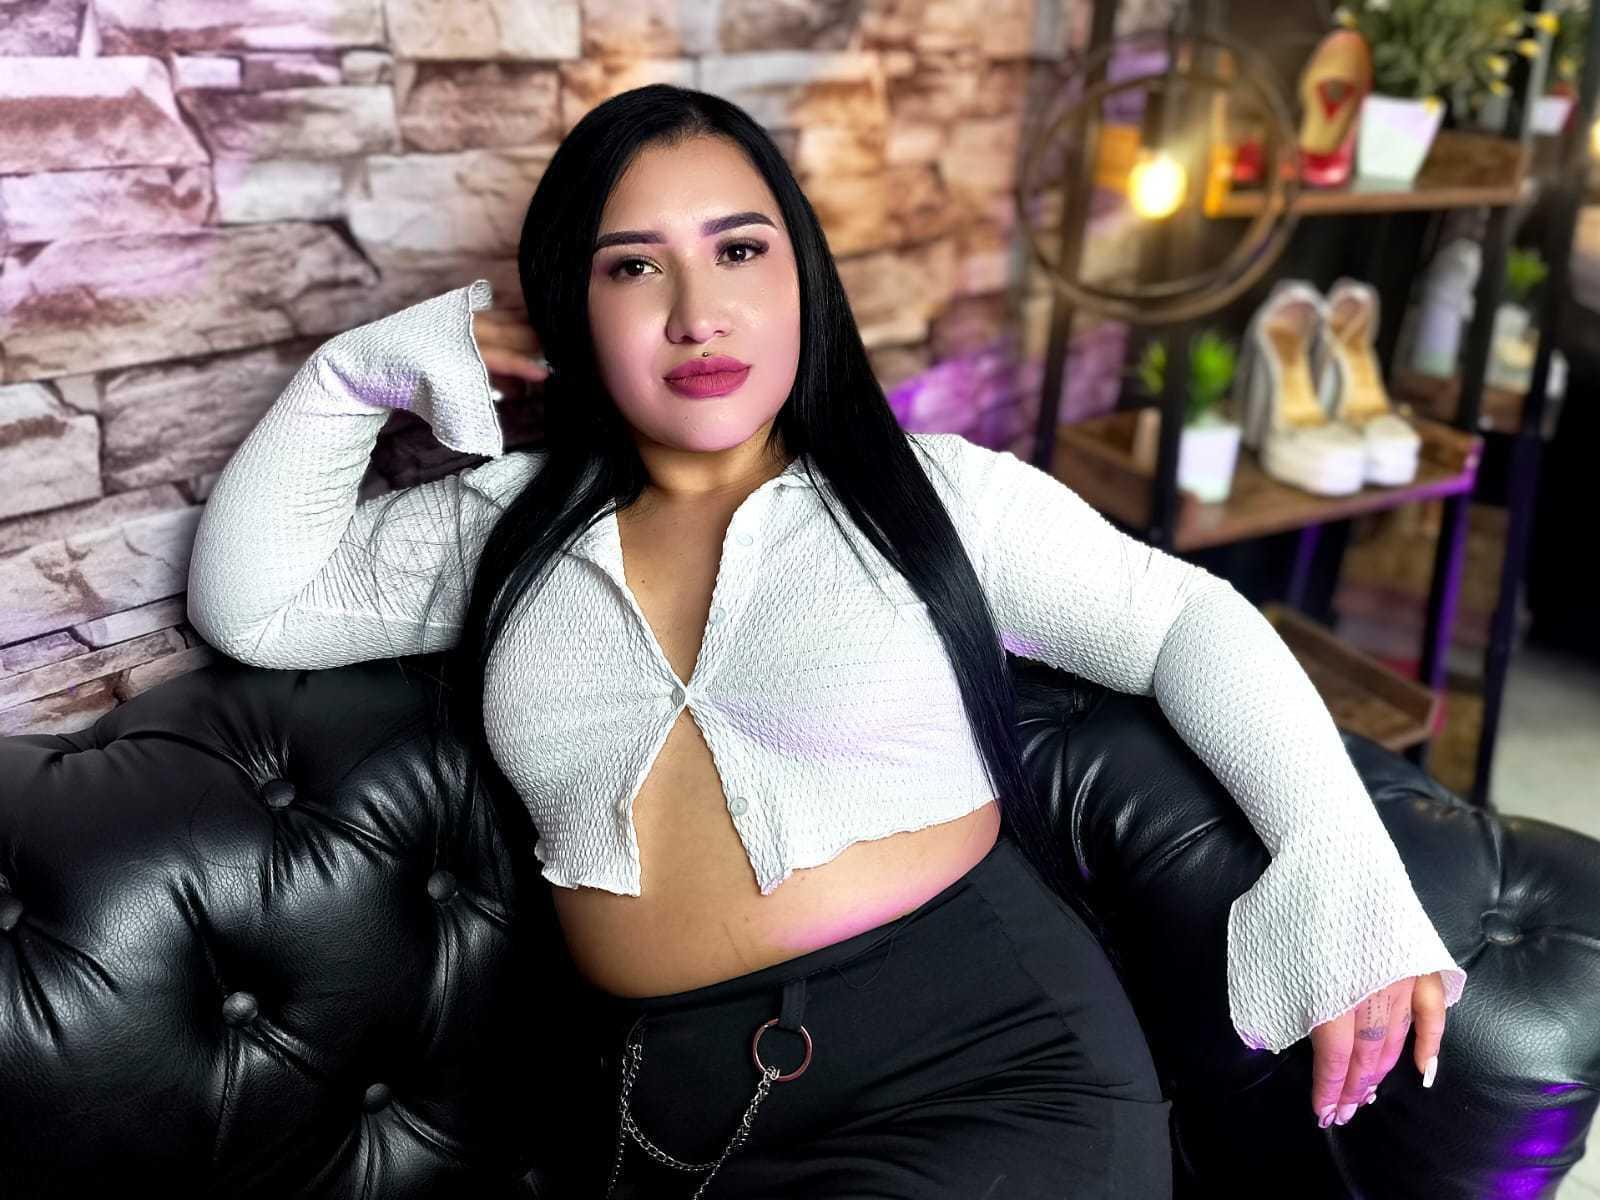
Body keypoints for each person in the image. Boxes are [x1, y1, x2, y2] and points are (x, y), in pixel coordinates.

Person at [185, 85, 1465, 1198]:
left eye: (739, 250)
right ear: (572, 303)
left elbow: (1185, 617)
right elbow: (253, 602)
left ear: (800, 273)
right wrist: (364, 372)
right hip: (667, 1122)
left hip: (990, 1079)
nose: (698, 314)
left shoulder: (932, 493)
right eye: (633, 268)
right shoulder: (501, 529)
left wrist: (1339, 862)